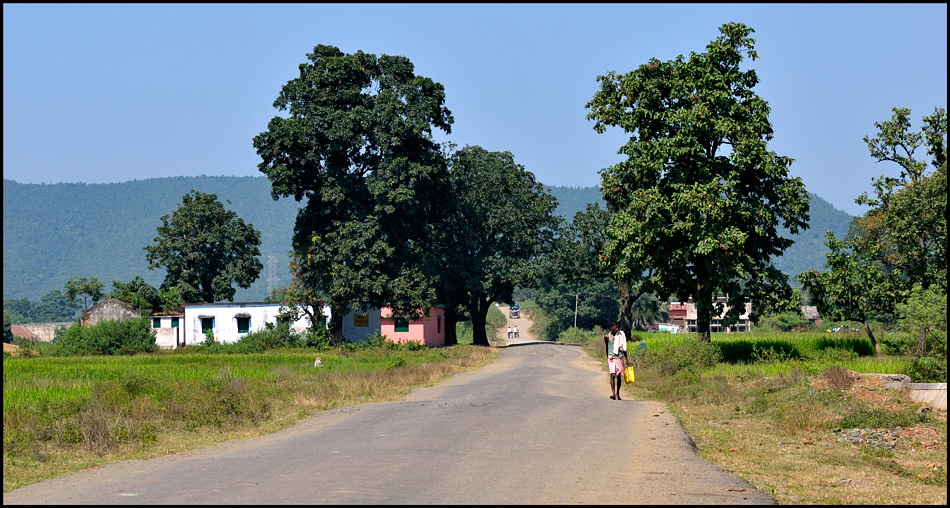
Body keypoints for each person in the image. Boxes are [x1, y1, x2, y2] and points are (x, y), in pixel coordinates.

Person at [604, 321, 627, 400]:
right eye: (615, 327)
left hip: (619, 357)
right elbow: (607, 348)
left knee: (619, 377)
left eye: (617, 327)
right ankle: (613, 393)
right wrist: (607, 358)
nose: (617, 329)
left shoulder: (620, 336)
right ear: (611, 328)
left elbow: (623, 348)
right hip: (611, 358)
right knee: (612, 375)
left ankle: (618, 393)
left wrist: (626, 359)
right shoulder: (607, 337)